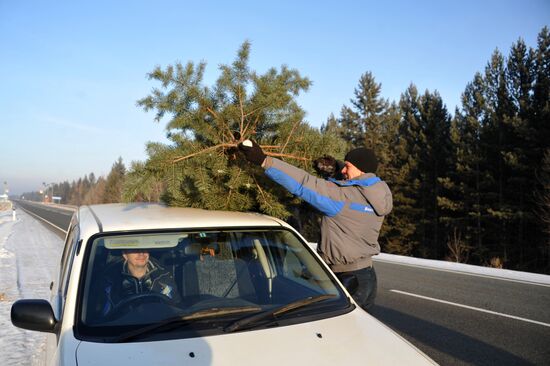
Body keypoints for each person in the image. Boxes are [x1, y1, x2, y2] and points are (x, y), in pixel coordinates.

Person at [238, 141, 392, 311]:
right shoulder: (377, 194)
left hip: (348, 278)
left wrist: (264, 160)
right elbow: (351, 191)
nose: (343, 170)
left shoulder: (343, 199)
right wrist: (335, 170)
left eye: (347, 166)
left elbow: (305, 184)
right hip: (366, 275)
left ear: (361, 169)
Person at [101, 249, 181, 316]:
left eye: (144, 249)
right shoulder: (111, 280)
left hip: (160, 328)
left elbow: (176, 308)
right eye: (135, 249)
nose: (141, 253)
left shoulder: (164, 275)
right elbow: (105, 315)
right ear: (125, 254)